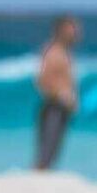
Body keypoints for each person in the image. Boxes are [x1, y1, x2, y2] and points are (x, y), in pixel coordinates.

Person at [34, 15, 81, 170]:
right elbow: (42, 80)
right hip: (54, 107)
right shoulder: (53, 52)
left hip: (61, 109)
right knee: (46, 152)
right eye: (72, 29)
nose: (76, 33)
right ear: (61, 31)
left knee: (53, 153)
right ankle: (37, 181)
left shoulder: (65, 52)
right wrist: (62, 96)